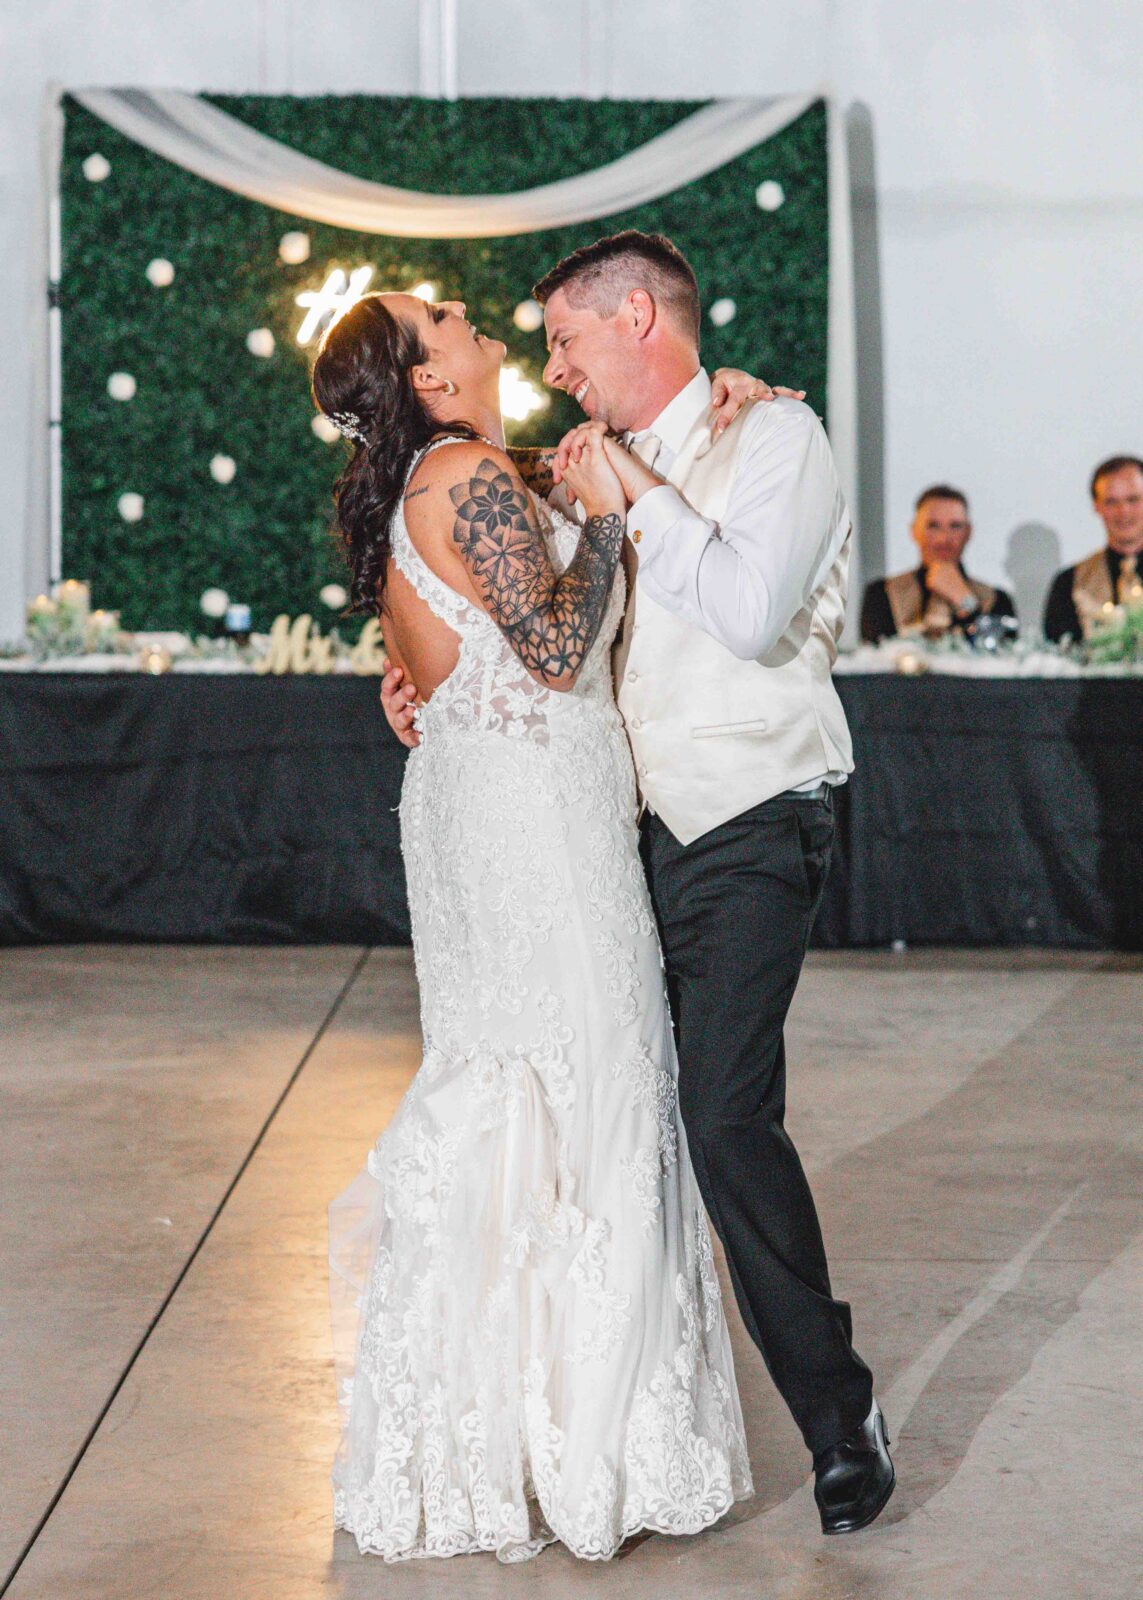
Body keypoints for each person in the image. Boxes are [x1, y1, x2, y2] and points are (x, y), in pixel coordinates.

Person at [383, 230, 895, 1539]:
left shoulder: (774, 438)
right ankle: (587, 1421)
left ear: (634, 318)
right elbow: (510, 604)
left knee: (720, 1115)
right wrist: (425, 676)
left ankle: (838, 1419)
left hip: (749, 817)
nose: (552, 367)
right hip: (616, 842)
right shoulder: (575, 462)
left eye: (564, 339)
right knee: (612, 1123)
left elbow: (745, 609)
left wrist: (632, 491)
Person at [314, 288, 755, 1564]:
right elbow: (558, 649)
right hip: (536, 833)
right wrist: (608, 524)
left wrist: (734, 399)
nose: (468, 314)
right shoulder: (462, 475)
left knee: (528, 1091)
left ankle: (509, 1431)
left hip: (489, 810)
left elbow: (460, 652)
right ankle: (592, 1444)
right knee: (591, 1085)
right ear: (428, 378)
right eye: (442, 317)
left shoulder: (453, 476)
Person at [861, 484, 1017, 641]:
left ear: (968, 532)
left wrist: (965, 601)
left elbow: (1005, 650)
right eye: (933, 526)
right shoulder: (883, 594)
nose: (944, 539)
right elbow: (875, 651)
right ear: (914, 530)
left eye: (955, 526)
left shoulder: (997, 599)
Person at [1043, 455, 1143, 642]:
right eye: (1111, 502)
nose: (1123, 511)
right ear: (1097, 506)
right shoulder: (1069, 584)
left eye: (1133, 499)